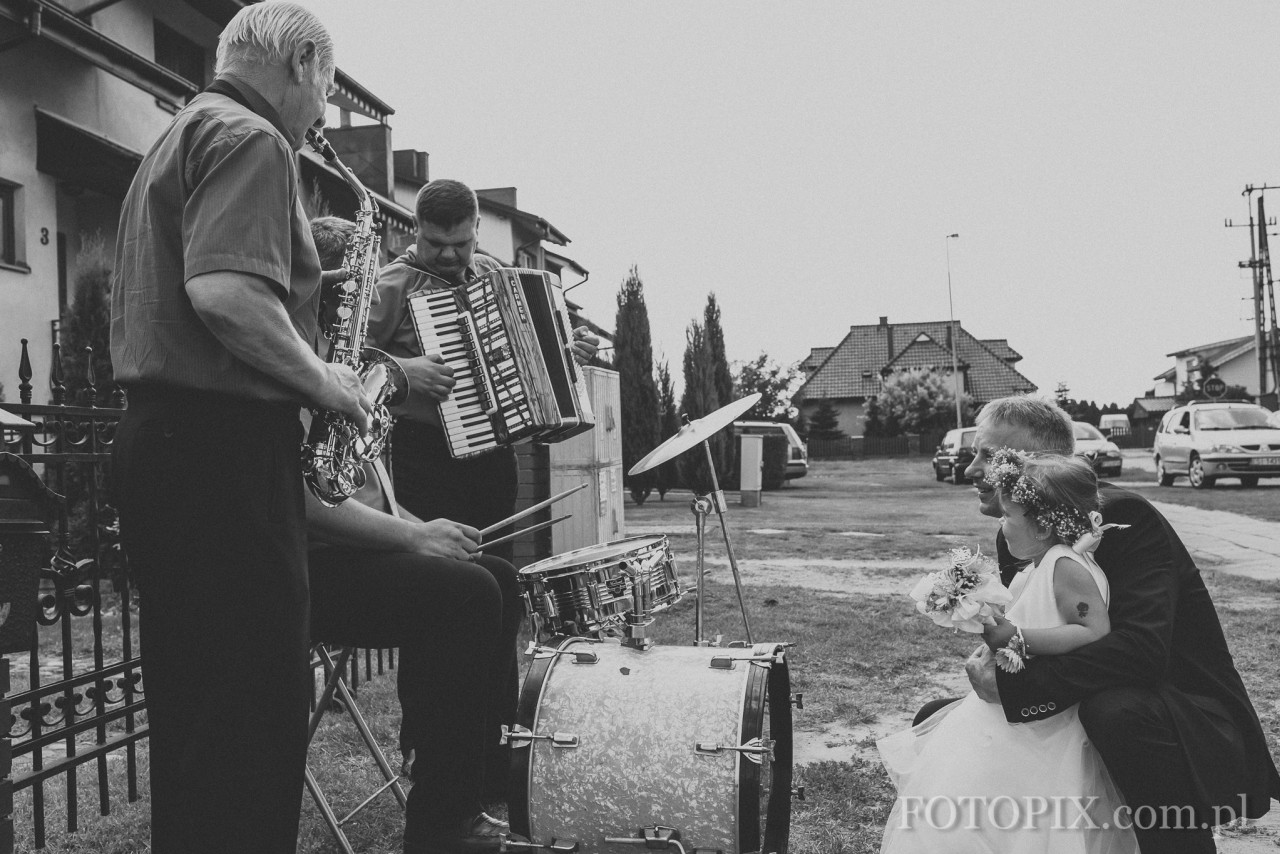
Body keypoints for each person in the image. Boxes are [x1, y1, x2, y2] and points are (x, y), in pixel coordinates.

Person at [109, 5, 369, 851]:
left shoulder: (180, 131)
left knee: (197, 718)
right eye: (325, 86)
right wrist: (327, 381)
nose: (324, 112)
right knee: (252, 719)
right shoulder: (254, 138)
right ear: (299, 61)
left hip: (162, 444)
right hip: (223, 454)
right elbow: (223, 292)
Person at [934, 395, 1280, 854]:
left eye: (991, 456)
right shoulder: (1015, 532)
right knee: (937, 725)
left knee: (1114, 711)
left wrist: (1018, 688)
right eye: (975, 453)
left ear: (1047, 464)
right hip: (1084, 689)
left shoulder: (1122, 516)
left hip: (1173, 708)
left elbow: (1142, 651)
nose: (972, 468)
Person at [364, 179, 597, 802]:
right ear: (416, 232)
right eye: (437, 244)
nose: (449, 257)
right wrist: (402, 374)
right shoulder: (390, 287)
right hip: (422, 466)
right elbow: (345, 363)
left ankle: (496, 748)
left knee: (498, 606)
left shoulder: (496, 277)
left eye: (460, 244)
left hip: (492, 463)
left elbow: (534, 351)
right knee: (438, 608)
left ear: (475, 233)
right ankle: (428, 749)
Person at [307, 216, 522, 852]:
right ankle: (439, 823)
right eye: (358, 290)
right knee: (464, 595)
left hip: (353, 550)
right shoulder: (300, 362)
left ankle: (470, 782)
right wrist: (412, 539)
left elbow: (361, 488)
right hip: (306, 568)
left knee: (497, 579)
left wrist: (417, 526)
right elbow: (306, 502)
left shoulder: (340, 361)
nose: (367, 301)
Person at [879, 453, 1138, 852]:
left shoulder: (1064, 564)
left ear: (1043, 524)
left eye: (1008, 517)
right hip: (1006, 714)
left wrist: (1018, 637)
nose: (1001, 524)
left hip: (1040, 729)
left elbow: (1092, 628)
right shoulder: (1040, 563)